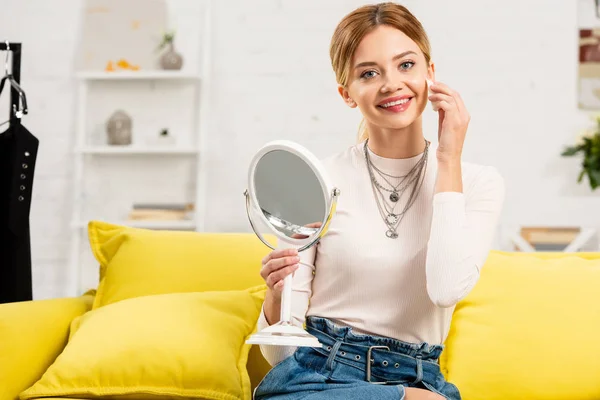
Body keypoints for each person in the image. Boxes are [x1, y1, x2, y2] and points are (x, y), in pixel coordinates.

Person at [253, 3, 505, 400]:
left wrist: (448, 159)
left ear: (430, 74)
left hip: (420, 380)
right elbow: (281, 355)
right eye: (369, 73)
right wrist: (276, 294)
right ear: (347, 94)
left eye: (406, 65)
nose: (391, 84)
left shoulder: (477, 183)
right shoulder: (316, 179)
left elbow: (444, 289)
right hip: (320, 378)